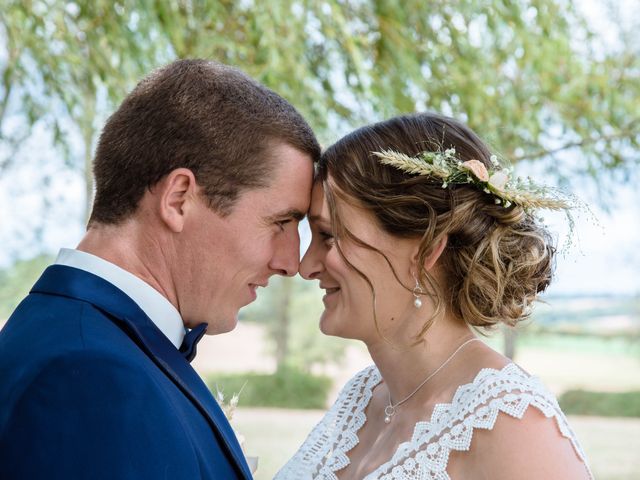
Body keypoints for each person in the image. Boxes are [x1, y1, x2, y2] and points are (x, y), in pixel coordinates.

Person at [0, 59, 319, 479]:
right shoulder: (89, 377)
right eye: (281, 222)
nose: (291, 263)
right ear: (179, 198)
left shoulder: (83, 341)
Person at [276, 112, 593, 479]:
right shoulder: (362, 399)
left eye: (329, 236)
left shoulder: (513, 423)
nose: (306, 266)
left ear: (426, 249)